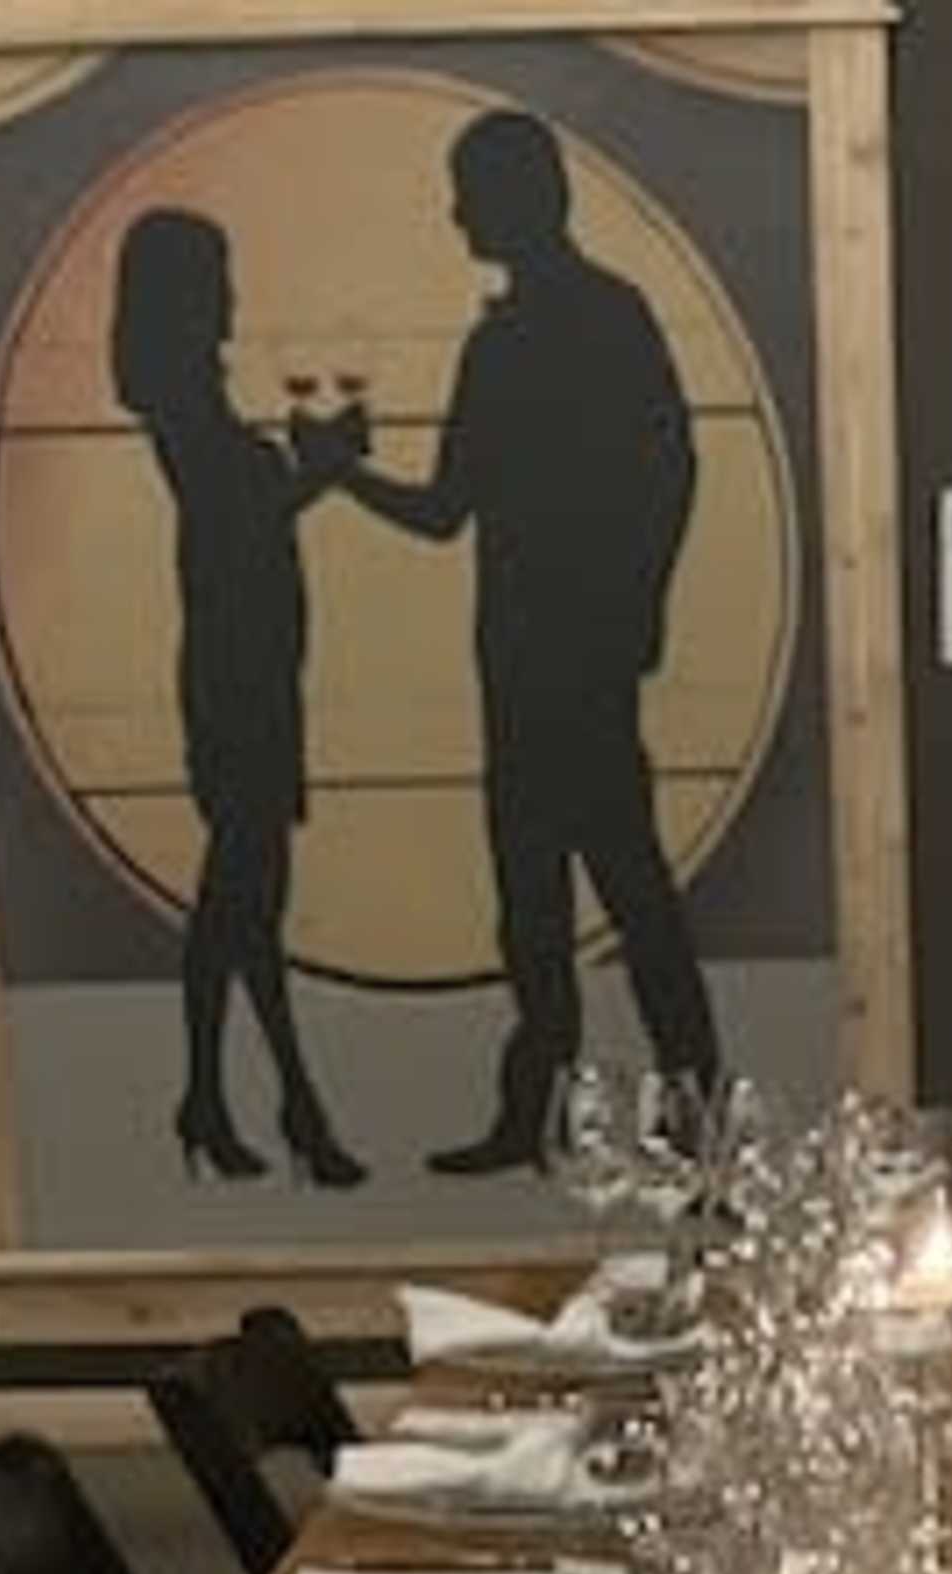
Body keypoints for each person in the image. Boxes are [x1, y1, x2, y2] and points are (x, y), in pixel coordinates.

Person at [327, 107, 720, 1178]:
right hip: (545, 665)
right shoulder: (571, 323)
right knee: (562, 902)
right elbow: (473, 508)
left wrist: (336, 475)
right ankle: (591, 1115)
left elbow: (452, 509)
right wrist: (643, 608)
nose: (456, 216)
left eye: (470, 193)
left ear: (515, 198)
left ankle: (672, 1116)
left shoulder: (542, 334)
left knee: (601, 896)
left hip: (561, 667)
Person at [108, 205, 367, 1189]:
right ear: (184, 293)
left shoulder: (191, 396)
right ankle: (290, 1106)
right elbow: (234, 517)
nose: (231, 295)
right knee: (244, 898)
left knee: (243, 902)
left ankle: (220, 1100)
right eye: (215, 277)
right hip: (235, 677)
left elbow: (247, 512)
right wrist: (323, 468)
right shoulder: (180, 398)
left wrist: (314, 470)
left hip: (250, 667)